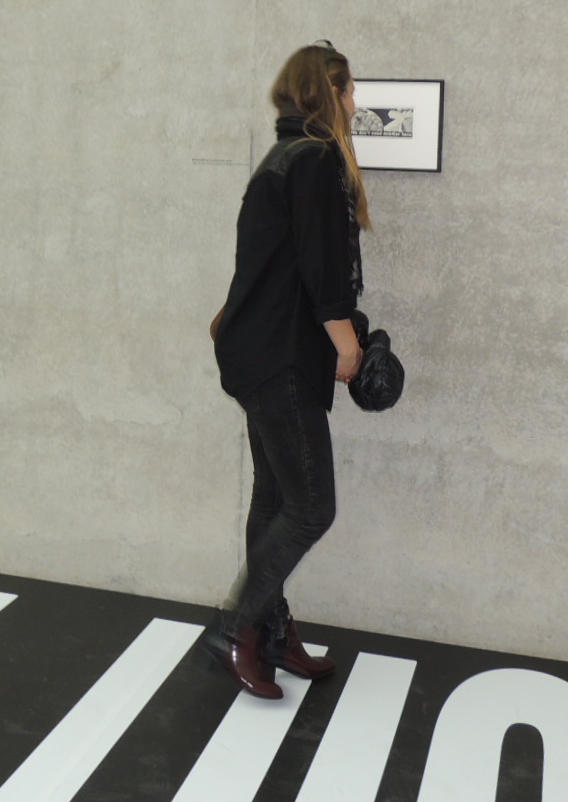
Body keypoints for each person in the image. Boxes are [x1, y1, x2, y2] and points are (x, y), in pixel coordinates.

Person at [206, 41, 370, 699]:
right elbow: (321, 267)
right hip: (281, 356)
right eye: (350, 89)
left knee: (275, 499)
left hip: (260, 351)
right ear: (328, 93)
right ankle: (237, 627)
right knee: (310, 507)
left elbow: (272, 262)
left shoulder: (282, 156)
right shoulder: (315, 158)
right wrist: (346, 344)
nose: (355, 101)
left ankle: (271, 633)